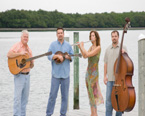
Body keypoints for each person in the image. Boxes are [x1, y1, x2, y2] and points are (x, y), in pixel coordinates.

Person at [46, 27, 74, 116]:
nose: (60, 34)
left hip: (66, 75)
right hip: (56, 75)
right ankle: (48, 114)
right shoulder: (52, 45)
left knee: (65, 97)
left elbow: (72, 57)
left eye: (61, 33)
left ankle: (63, 114)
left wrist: (68, 57)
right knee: (52, 96)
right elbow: (49, 56)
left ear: (63, 34)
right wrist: (57, 56)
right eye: (58, 33)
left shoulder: (68, 45)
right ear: (56, 34)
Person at [7, 30, 34, 116]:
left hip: (27, 76)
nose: (26, 38)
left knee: (25, 100)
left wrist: (31, 63)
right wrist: (20, 53)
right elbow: (9, 54)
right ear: (21, 37)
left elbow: (31, 66)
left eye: (27, 37)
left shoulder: (29, 49)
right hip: (19, 75)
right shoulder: (17, 46)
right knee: (17, 98)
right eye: (24, 37)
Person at [78, 30, 104, 116]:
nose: (91, 37)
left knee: (94, 93)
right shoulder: (91, 47)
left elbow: (89, 55)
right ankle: (92, 113)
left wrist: (82, 47)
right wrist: (80, 47)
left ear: (96, 37)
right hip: (88, 73)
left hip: (94, 74)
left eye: (93, 36)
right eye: (90, 36)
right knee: (90, 94)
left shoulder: (98, 48)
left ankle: (95, 114)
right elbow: (85, 56)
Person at [104, 30, 127, 116]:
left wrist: (124, 53)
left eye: (115, 36)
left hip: (120, 81)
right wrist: (104, 76)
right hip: (110, 79)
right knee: (109, 102)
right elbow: (105, 63)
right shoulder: (107, 49)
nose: (114, 38)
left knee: (119, 103)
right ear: (111, 37)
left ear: (118, 37)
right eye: (112, 36)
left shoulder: (123, 48)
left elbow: (127, 62)